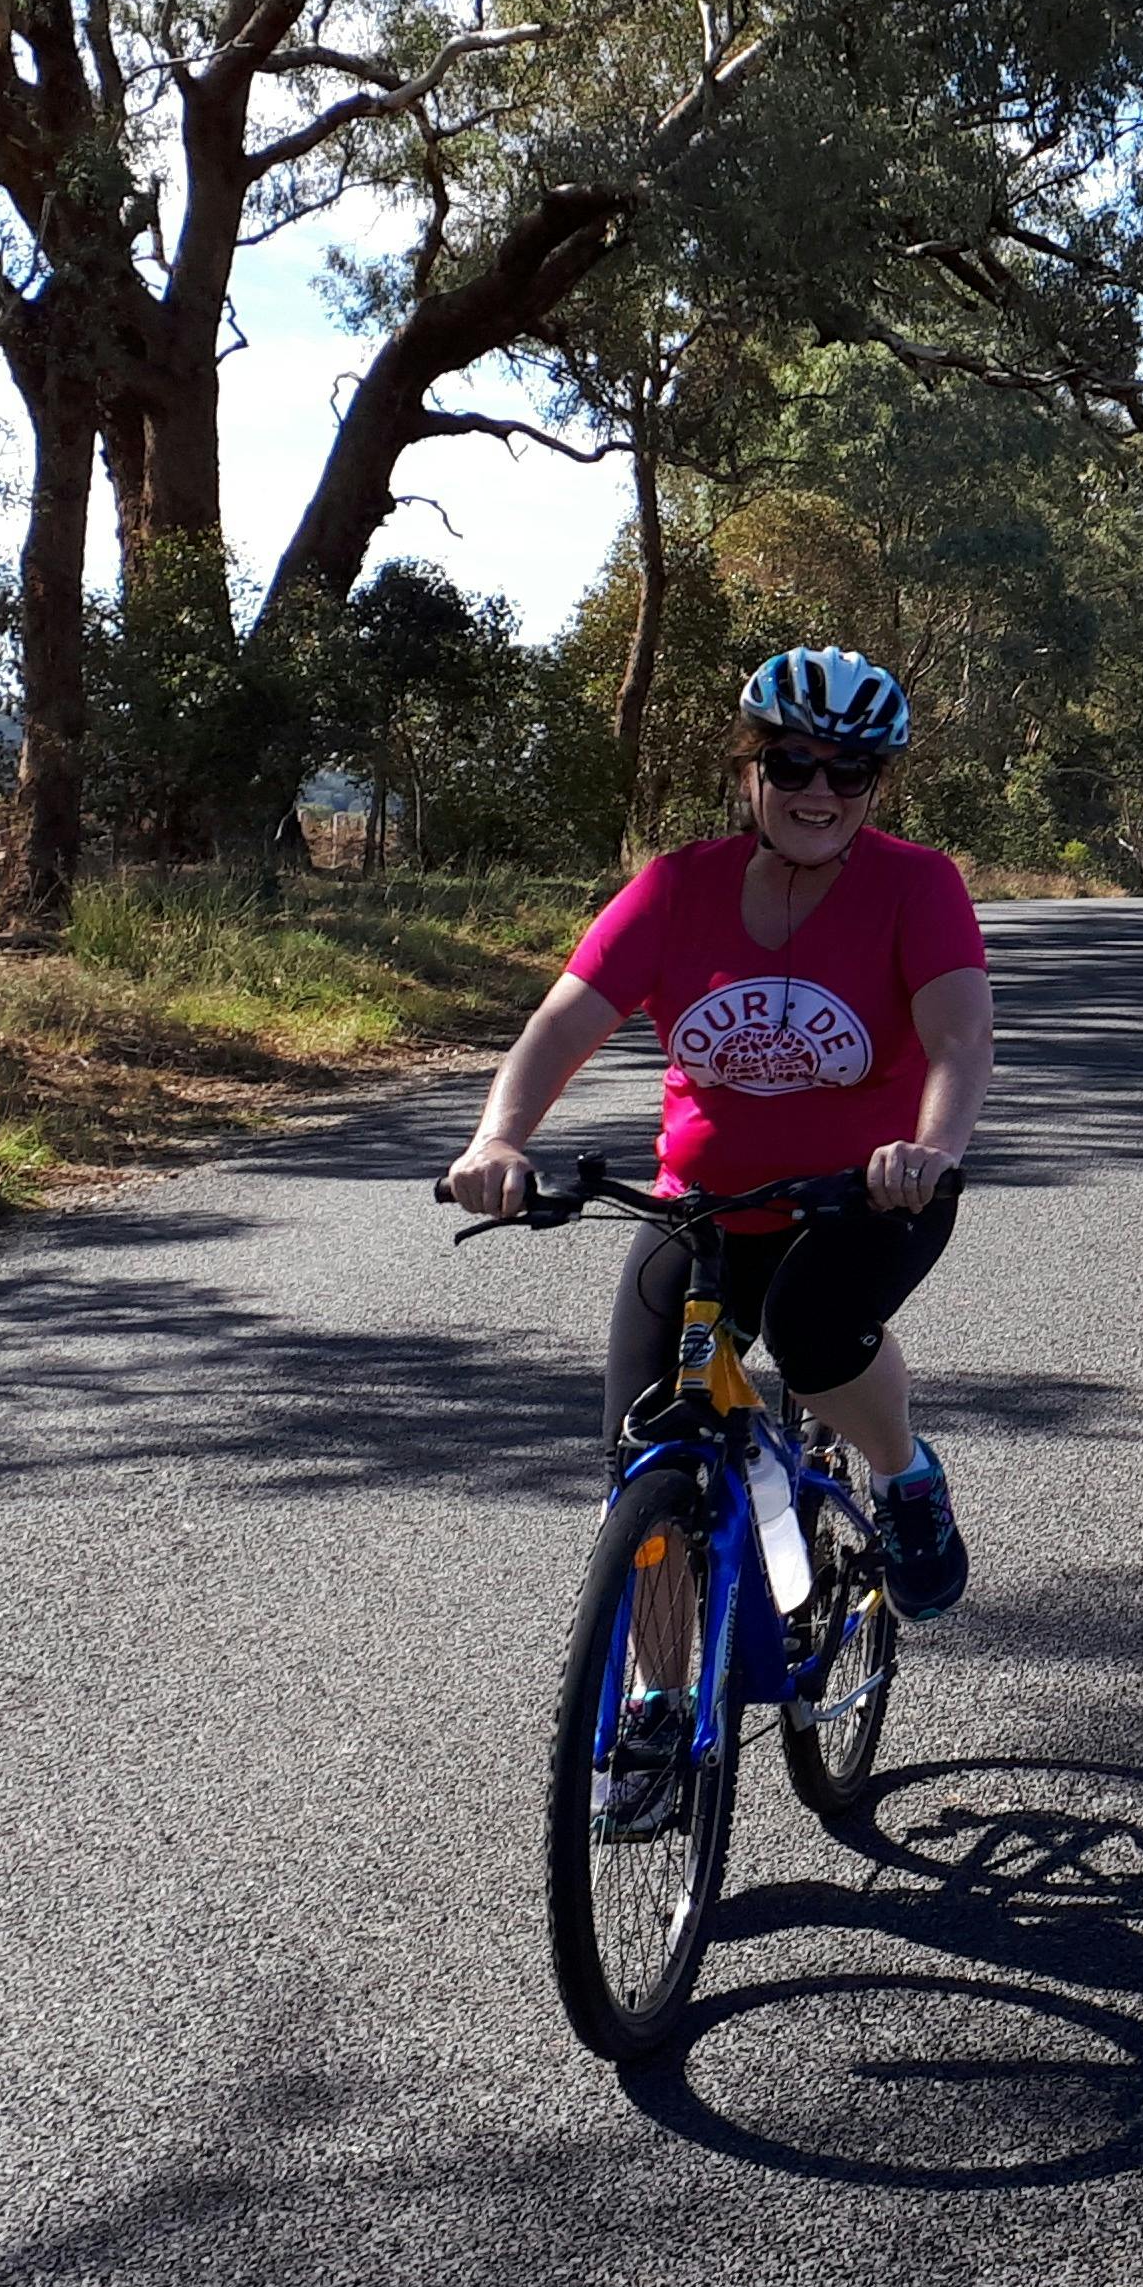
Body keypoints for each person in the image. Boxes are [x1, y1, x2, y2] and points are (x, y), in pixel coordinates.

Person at [442, 647, 995, 1679]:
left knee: (810, 1328)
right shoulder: (675, 889)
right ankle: (657, 1703)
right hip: (701, 1208)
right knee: (644, 1454)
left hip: (868, 1197)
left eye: (850, 770)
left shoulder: (916, 886)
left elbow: (960, 1040)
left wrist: (931, 1149)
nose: (821, 791)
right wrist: (498, 1139)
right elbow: (560, 1027)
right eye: (793, 764)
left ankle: (903, 1477)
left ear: (876, 785)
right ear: (749, 770)